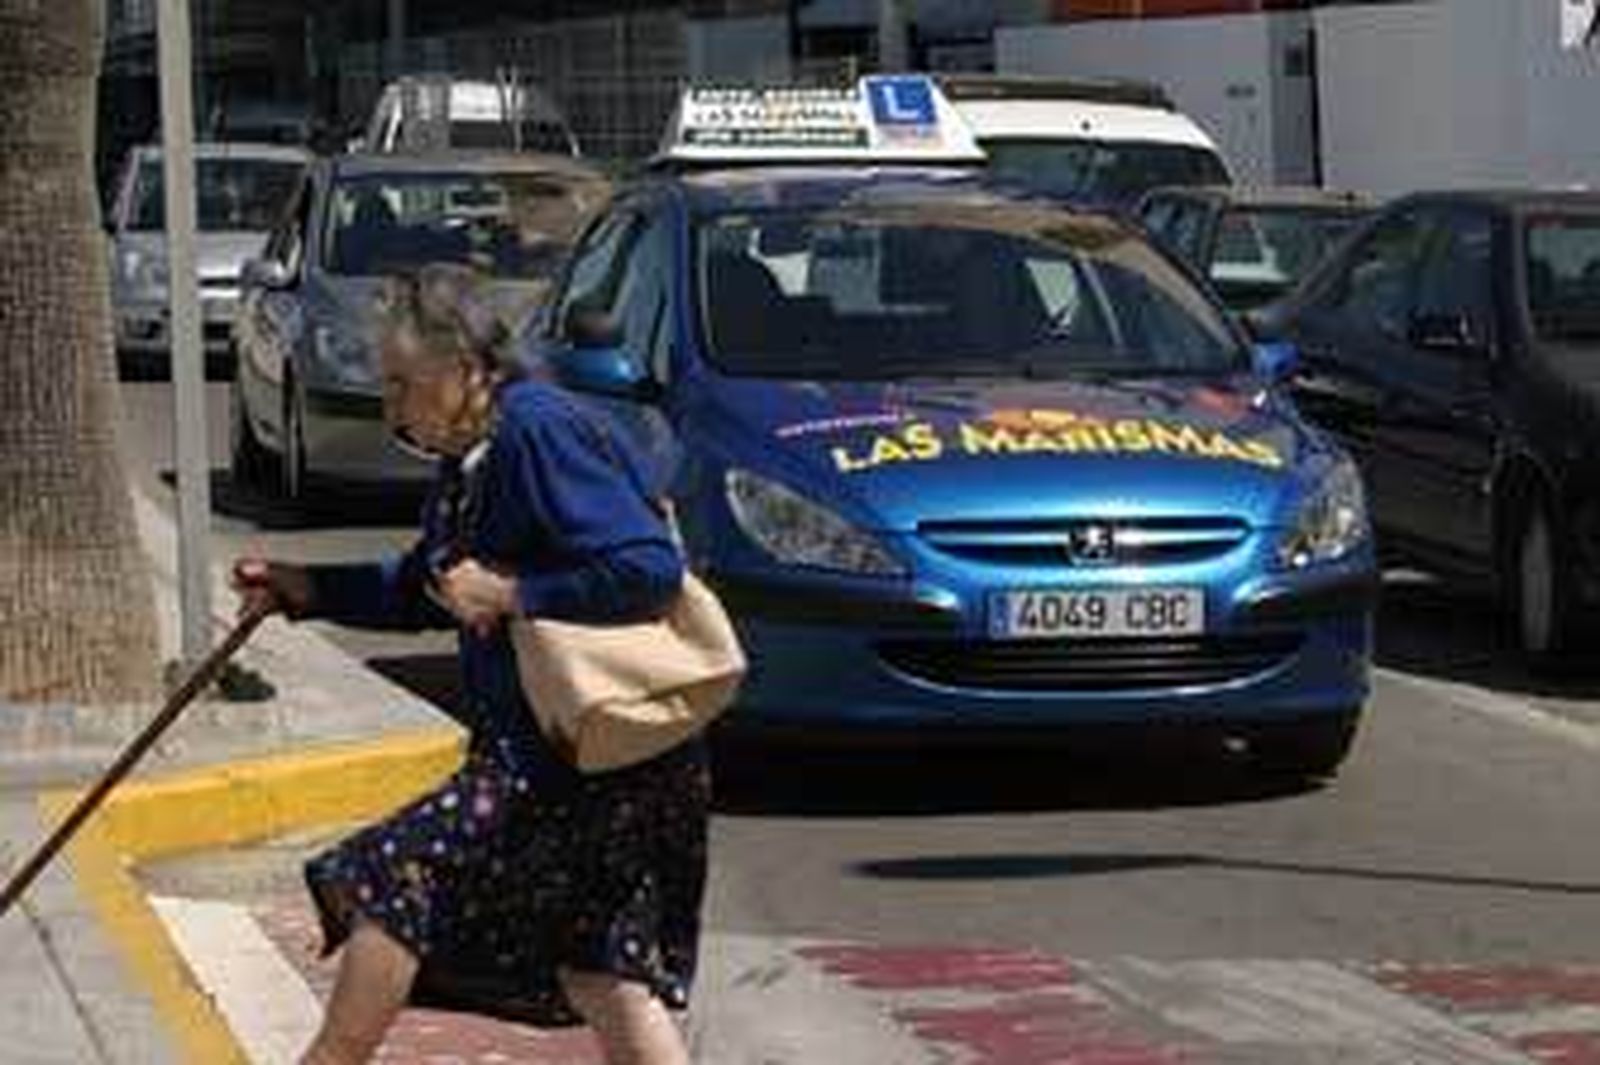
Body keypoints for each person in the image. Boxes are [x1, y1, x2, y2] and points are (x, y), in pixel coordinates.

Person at [233, 264, 708, 1065]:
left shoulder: (538, 431)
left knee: (395, 874)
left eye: (401, 385)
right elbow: (434, 586)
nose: (392, 409)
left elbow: (646, 567)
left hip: (585, 759)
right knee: (603, 968)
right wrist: (305, 587)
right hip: (570, 755)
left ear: (463, 366)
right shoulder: (475, 453)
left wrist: (518, 590)